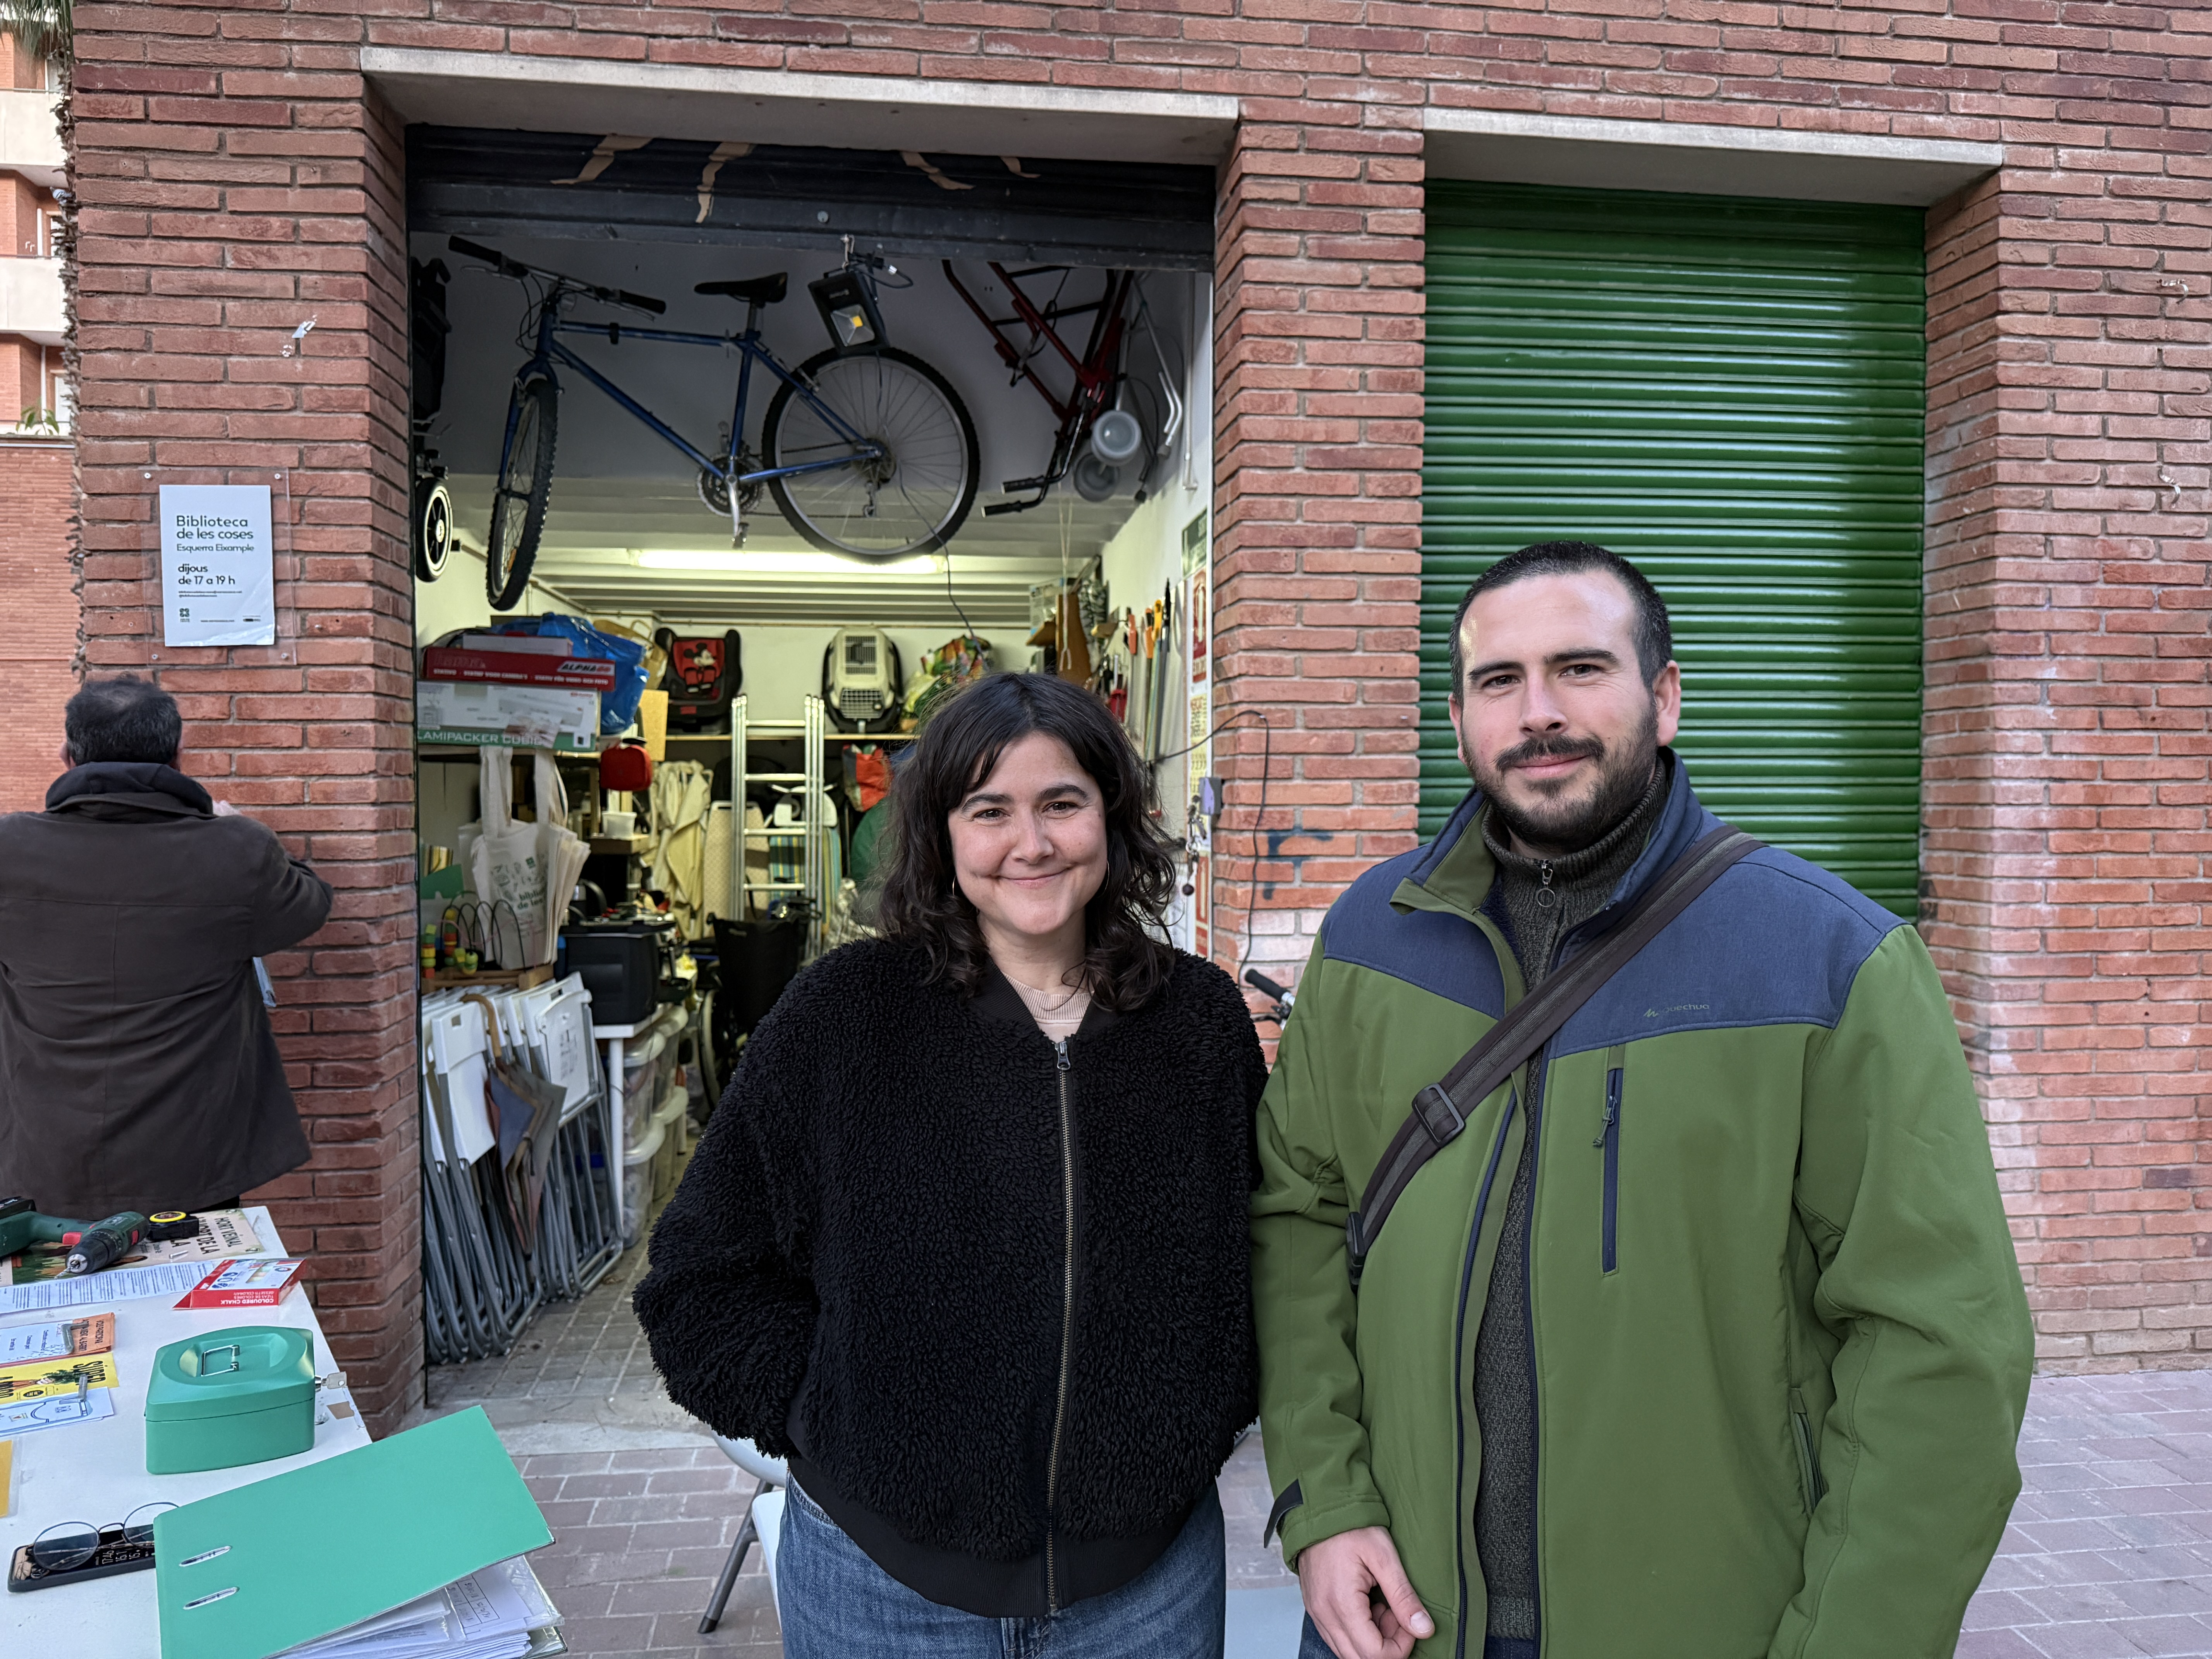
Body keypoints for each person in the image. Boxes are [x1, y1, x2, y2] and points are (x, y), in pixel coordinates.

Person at [1252, 541, 2033, 1659]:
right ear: (1461, 717)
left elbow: (1943, 1350)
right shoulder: (1371, 938)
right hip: (1403, 1621)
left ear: (1663, 697)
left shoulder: (1829, 958)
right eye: (1499, 681)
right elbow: (1299, 1221)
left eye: (1581, 668)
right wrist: (1323, 1507)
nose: (1540, 713)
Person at [636, 671, 1266, 1658]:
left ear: (1114, 815)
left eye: (1063, 803)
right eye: (991, 811)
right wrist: (826, 1420)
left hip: (1145, 1587)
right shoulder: (846, 1016)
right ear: (941, 832)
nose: (1033, 843)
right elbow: (698, 1277)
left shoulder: (1195, 1021)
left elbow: (1259, 1257)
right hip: (881, 1583)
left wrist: (1201, 1419)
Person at [0, 675, 333, 1218]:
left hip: (43, 1155)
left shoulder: (8, 849)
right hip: (192, 1161)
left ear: (67, 755)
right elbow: (309, 904)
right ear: (179, 757)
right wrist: (246, 831)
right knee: (188, 1301)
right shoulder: (236, 852)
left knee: (56, 1304)